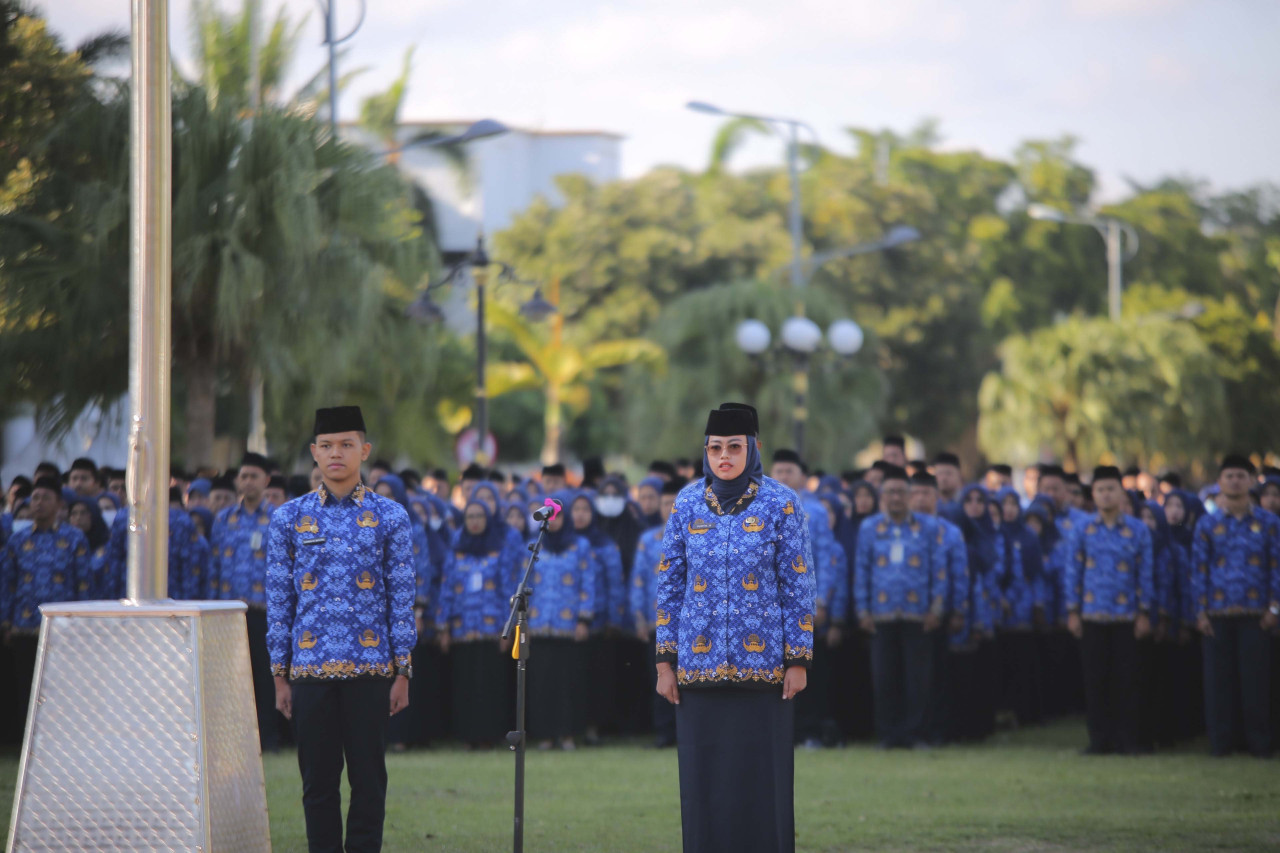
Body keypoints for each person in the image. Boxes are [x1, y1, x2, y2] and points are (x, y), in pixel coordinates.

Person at [655, 402, 814, 853]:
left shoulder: (781, 503)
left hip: (764, 671)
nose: (724, 456)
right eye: (716, 448)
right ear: (705, 451)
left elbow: (798, 586)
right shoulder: (687, 503)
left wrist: (798, 659)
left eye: (734, 447)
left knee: (763, 784)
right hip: (698, 670)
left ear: (754, 449)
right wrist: (665, 662)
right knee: (704, 786)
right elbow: (669, 585)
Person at [267, 406, 415, 853]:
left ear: (364, 451)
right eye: (327, 446)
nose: (336, 454)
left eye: (347, 445)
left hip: (371, 668)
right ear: (313, 452)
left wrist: (404, 670)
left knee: (369, 781)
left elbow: (402, 597)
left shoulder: (390, 517)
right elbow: (279, 602)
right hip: (309, 671)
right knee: (318, 783)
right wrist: (279, 675)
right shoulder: (288, 519)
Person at [1192, 455, 1279, 758]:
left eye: (1240, 476)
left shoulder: (1269, 523)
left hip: (1257, 615)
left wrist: (1275, 608)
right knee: (1219, 684)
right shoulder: (1207, 523)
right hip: (1217, 614)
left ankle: (1259, 743)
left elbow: (1276, 567)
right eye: (1228, 476)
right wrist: (1199, 611)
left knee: (1256, 682)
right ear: (1220, 481)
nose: (1234, 481)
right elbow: (1199, 569)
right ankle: (1221, 743)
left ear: (1251, 481)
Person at [1064, 465, 1155, 755]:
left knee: (1126, 681)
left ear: (1121, 492)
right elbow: (1072, 572)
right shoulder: (1082, 530)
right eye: (1100, 490)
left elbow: (1145, 572)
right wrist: (1072, 611)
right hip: (1091, 615)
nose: (1105, 495)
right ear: (1093, 494)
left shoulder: (1137, 530)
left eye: (1110, 489)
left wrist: (1144, 612)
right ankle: (1099, 741)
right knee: (1095, 681)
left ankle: (1127, 740)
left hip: (1127, 616)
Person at [855, 466, 947, 749]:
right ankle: (888, 735)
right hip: (881, 615)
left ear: (909, 495)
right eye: (890, 492)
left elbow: (939, 571)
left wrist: (937, 608)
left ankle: (915, 734)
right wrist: (862, 610)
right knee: (884, 679)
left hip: (917, 614)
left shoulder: (929, 528)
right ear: (882, 495)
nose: (896, 497)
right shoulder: (869, 528)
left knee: (917, 680)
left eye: (901, 492)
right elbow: (861, 570)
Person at [0, 477, 89, 744]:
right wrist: (6, 622)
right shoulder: (19, 540)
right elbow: (8, 583)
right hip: (23, 628)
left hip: (62, 631)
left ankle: (57, 744)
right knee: (25, 688)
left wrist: (82, 625)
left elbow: (83, 585)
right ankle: (24, 745)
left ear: (59, 504)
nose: (38, 503)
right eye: (35, 498)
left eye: (45, 498)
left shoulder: (74, 539)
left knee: (59, 691)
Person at [212, 452, 280, 751]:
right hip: (229, 612)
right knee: (232, 677)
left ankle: (268, 738)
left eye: (254, 476)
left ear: (266, 481)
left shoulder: (279, 519)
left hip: (264, 612)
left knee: (266, 678)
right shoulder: (224, 519)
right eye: (243, 476)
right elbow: (214, 565)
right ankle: (234, 740)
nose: (247, 481)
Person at [435, 499, 516, 747]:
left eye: (480, 516)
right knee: (466, 685)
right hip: (462, 629)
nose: (475, 521)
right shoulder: (456, 552)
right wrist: (443, 626)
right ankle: (468, 736)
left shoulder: (499, 550)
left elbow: (507, 592)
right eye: (470, 516)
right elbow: (446, 589)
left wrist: (508, 629)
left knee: (491, 685)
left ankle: (491, 736)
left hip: (492, 630)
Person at [525, 488, 594, 750]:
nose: (555, 521)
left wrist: (584, 620)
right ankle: (544, 735)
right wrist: (525, 622)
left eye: (559, 516)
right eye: (550, 515)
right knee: (542, 683)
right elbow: (525, 582)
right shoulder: (533, 546)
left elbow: (588, 584)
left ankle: (567, 734)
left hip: (569, 627)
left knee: (568, 684)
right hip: (540, 624)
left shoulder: (581, 546)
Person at [631, 477, 683, 746]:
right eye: (665, 503)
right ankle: (663, 732)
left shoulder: (697, 536)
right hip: (656, 623)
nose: (668, 508)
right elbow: (638, 581)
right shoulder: (648, 540)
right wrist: (638, 617)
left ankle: (684, 731)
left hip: (688, 625)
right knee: (660, 678)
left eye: (673, 502)